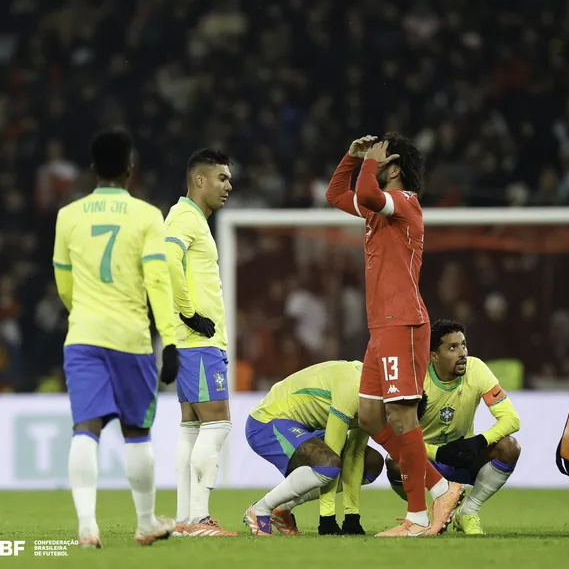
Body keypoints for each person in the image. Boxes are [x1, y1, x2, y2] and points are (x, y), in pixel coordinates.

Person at [326, 134, 463, 537]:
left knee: (402, 416)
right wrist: (352, 157)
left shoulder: (404, 204)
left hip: (402, 323)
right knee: (369, 416)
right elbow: (336, 194)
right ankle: (440, 485)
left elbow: (367, 191)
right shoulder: (377, 213)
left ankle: (417, 519)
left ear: (395, 166)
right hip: (381, 328)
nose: (374, 160)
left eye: (381, 156)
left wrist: (367, 164)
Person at [53, 129, 180, 548]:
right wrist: (171, 339)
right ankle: (145, 522)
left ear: (91, 168)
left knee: (84, 429)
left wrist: (83, 314)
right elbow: (158, 280)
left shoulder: (68, 216)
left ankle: (87, 527)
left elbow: (64, 283)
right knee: (136, 432)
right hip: (130, 338)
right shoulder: (146, 215)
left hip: (84, 336)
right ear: (130, 168)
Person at [385, 320, 520, 535]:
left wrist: (479, 442)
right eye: (452, 347)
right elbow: (396, 435)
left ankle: (468, 512)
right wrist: (436, 452)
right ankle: (425, 512)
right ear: (433, 356)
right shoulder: (416, 379)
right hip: (427, 463)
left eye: (463, 345)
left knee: (509, 447)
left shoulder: (476, 369)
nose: (462, 353)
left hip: (462, 457)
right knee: (394, 461)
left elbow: (512, 419)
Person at [164, 149, 236, 537]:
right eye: (222, 178)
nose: (229, 185)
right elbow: (167, 260)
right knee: (218, 424)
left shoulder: (193, 221)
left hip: (192, 341)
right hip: (198, 340)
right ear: (199, 180)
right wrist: (189, 313)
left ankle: (184, 520)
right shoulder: (184, 217)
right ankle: (198, 518)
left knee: (191, 428)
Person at [243, 360, 384, 536]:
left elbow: (356, 454)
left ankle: (283, 508)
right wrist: (327, 520)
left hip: (306, 427)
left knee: (371, 463)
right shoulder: (353, 388)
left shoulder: (376, 395)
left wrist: (352, 519)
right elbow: (333, 447)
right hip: (267, 421)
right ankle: (260, 509)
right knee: (328, 464)